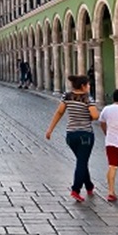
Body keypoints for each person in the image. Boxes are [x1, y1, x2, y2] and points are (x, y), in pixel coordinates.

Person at [45, 74, 99, 202]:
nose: (89, 87)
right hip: (85, 135)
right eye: (88, 85)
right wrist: (90, 116)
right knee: (82, 162)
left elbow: (59, 112)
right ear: (83, 86)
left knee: (81, 161)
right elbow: (95, 115)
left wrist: (50, 129)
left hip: (71, 135)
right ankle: (76, 189)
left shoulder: (67, 96)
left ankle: (89, 186)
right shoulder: (87, 98)